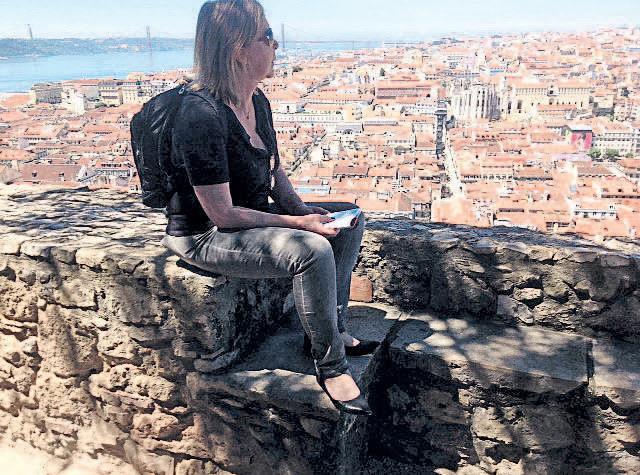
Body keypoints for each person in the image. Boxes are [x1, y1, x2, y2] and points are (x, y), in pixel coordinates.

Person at [160, 0, 378, 415]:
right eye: (268, 36)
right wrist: (299, 224)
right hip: (204, 235)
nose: (276, 46)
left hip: (249, 220)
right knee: (310, 250)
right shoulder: (200, 116)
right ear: (238, 48)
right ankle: (331, 366)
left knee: (349, 218)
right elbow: (222, 214)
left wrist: (306, 211)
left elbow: (273, 171)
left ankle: (331, 329)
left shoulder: (256, 101)